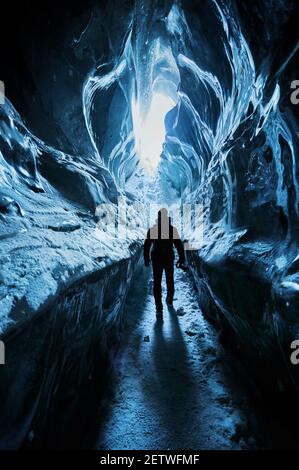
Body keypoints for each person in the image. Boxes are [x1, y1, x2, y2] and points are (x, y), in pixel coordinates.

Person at [144, 208, 185, 316]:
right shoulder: (172, 229)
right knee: (169, 280)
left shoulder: (153, 229)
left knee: (157, 283)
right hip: (168, 258)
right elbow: (179, 245)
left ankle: (159, 309)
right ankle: (169, 300)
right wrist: (181, 258)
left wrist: (146, 258)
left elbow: (147, 244)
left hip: (157, 259)